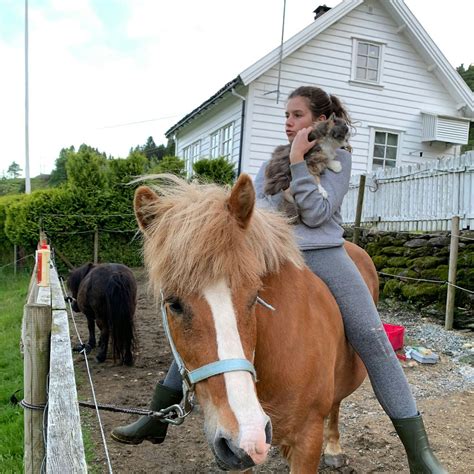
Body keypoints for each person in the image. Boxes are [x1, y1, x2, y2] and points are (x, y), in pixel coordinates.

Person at [111, 86, 447, 474]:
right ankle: (159, 414)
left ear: (321, 121)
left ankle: (418, 452)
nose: (288, 122)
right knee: (212, 316)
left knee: (373, 338)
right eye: (286, 115)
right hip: (271, 253)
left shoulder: (340, 158)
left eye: (297, 115)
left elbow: (319, 213)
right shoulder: (273, 163)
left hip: (323, 253)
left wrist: (299, 164)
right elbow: (258, 211)